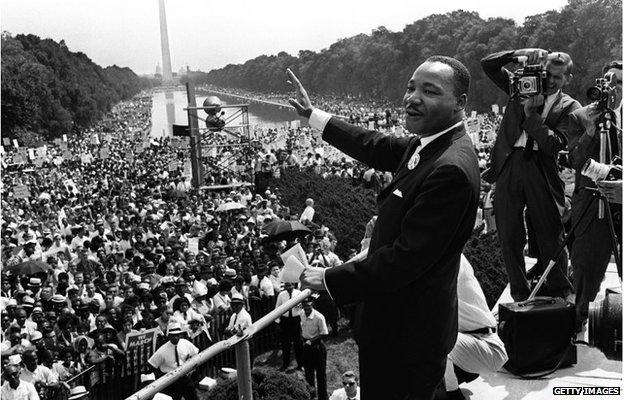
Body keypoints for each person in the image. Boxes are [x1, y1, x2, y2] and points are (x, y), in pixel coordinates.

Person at [291, 55, 480, 399]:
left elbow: (406, 260)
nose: (413, 97)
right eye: (411, 87)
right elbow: (373, 144)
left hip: (407, 338)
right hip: (398, 328)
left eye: (430, 90)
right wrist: (313, 116)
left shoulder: (450, 168)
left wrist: (332, 278)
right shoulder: (429, 144)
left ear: (460, 103)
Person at [481, 48, 580, 302]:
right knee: (509, 233)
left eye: (557, 77)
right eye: (547, 74)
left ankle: (560, 292)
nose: (550, 80)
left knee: (551, 233)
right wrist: (517, 54)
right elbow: (488, 65)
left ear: (567, 78)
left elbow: (555, 144)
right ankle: (519, 294)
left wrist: (531, 116)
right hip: (509, 164)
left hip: (542, 169)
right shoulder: (520, 85)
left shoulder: (570, 107)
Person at [564, 60, 623, 331]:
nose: (615, 88)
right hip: (591, 205)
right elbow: (575, 161)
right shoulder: (581, 116)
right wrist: (589, 133)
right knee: (586, 267)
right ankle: (579, 318)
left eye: (621, 83)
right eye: (611, 81)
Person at [437, 255, 508, 400]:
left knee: (433, 337)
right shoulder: (446, 253)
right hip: (471, 341)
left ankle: (453, 394)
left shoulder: (449, 261)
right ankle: (454, 377)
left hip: (487, 346)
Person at [147, 323, 199, 400]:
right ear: (169, 336)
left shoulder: (185, 343)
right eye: (173, 335)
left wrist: (191, 367)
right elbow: (151, 364)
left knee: (193, 397)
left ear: (180, 335)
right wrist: (160, 377)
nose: (176, 337)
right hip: (171, 380)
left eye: (178, 335)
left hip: (184, 376)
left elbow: (196, 354)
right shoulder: (163, 350)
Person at [299, 298, 328, 400]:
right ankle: (311, 395)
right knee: (308, 373)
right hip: (306, 346)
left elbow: (324, 333)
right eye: (304, 305)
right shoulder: (301, 313)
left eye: (308, 305)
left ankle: (323, 397)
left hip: (317, 347)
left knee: (321, 374)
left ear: (312, 304)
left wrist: (311, 341)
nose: (306, 307)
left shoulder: (319, 317)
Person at [275, 281, 303, 370]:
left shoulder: (299, 293)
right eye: (286, 286)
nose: (288, 288)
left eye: (290, 285)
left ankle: (300, 364)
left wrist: (302, 321)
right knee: (285, 344)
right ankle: (285, 364)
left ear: (293, 285)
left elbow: (301, 308)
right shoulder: (281, 295)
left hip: (296, 320)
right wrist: (278, 322)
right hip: (285, 321)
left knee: (298, 343)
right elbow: (277, 308)